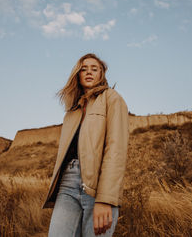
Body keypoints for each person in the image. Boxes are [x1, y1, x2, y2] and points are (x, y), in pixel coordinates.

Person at [42, 53, 129, 237]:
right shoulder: (72, 111)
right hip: (67, 183)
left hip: (97, 183)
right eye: (84, 69)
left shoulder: (112, 98)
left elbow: (116, 150)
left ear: (101, 75)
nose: (89, 72)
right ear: (77, 74)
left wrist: (105, 198)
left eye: (94, 69)